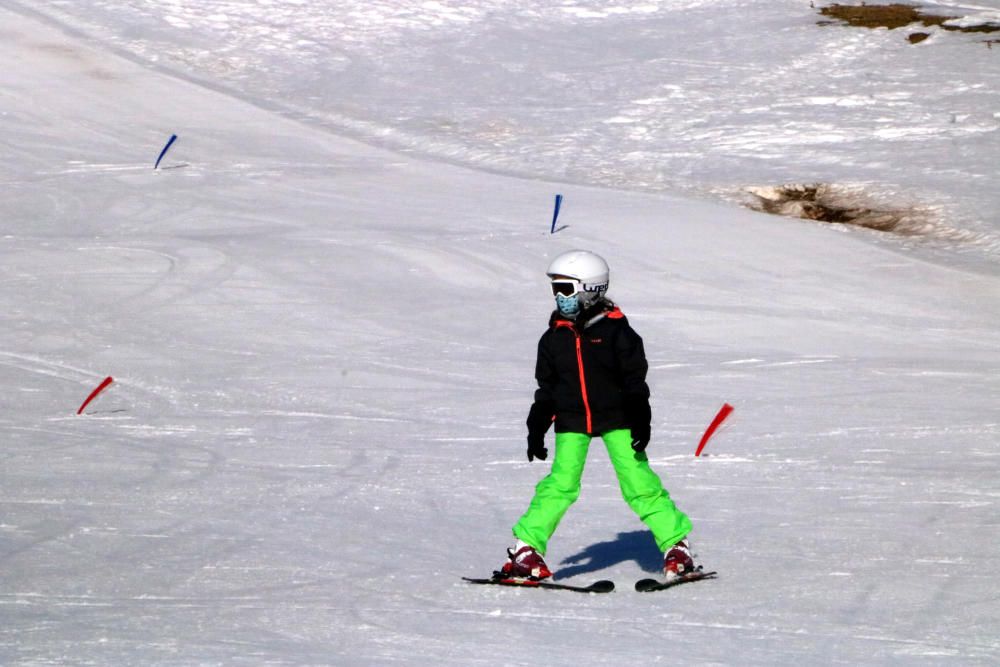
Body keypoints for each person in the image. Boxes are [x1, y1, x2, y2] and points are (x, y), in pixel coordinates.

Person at [499, 249, 697, 581]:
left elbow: (634, 379)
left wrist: (639, 413)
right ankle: (527, 551)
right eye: (555, 289)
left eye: (565, 288)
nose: (559, 297)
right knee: (560, 485)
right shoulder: (552, 338)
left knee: (639, 483)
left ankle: (677, 547)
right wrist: (537, 424)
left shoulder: (617, 332)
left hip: (617, 417)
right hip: (571, 420)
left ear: (590, 289)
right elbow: (547, 388)